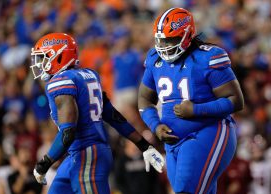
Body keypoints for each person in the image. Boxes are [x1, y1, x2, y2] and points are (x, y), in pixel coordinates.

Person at [30, 33, 164, 194]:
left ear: (59, 56)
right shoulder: (88, 75)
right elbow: (113, 116)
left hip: (87, 154)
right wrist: (144, 145)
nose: (40, 63)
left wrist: (44, 162)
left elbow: (68, 132)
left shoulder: (60, 81)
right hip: (78, 155)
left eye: (44, 57)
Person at [138, 8, 244, 194]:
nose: (164, 45)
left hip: (207, 131)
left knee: (186, 191)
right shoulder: (155, 58)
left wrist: (197, 110)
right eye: (161, 40)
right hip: (173, 142)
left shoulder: (207, 57)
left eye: (170, 40)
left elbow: (235, 101)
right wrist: (154, 125)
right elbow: (144, 99)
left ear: (187, 35)